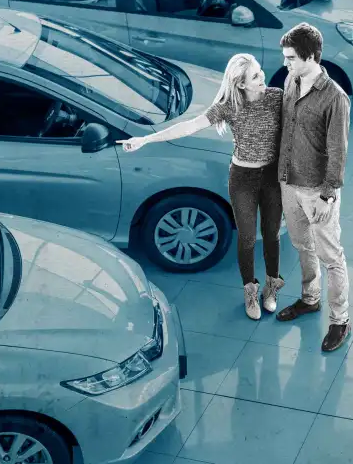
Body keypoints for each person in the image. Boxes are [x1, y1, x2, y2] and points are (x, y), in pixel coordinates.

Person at [117, 54, 285, 321]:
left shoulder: (276, 97)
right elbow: (189, 127)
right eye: (255, 75)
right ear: (241, 84)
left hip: (271, 178)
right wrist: (145, 140)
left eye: (260, 71)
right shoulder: (229, 106)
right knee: (247, 237)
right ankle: (250, 291)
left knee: (272, 234)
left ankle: (272, 287)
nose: (262, 77)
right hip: (242, 177)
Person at [274, 23, 352, 353]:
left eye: (291, 58)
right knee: (302, 246)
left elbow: (338, 150)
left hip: (317, 191)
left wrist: (326, 194)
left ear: (311, 56)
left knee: (331, 256)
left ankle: (340, 320)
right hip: (288, 184)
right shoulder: (291, 80)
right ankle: (310, 300)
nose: (286, 63)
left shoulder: (335, 98)